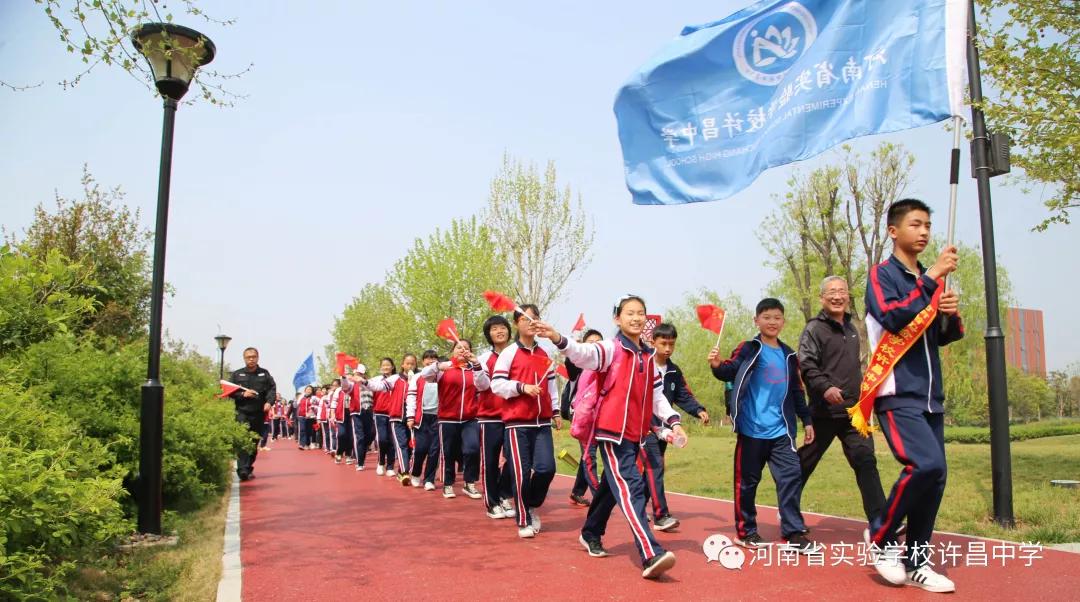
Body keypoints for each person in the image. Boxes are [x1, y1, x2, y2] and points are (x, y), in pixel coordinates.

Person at [535, 294, 686, 580]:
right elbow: (582, 353)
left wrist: (673, 422)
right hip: (612, 434)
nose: (636, 318)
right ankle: (650, 553)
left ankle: (590, 532)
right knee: (632, 488)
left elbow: (657, 397)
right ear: (617, 318)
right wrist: (557, 337)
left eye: (640, 313)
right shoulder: (610, 349)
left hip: (636, 435)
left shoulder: (648, 357)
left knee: (610, 487)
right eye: (630, 313)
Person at [862, 199, 963, 593]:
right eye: (915, 224)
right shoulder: (882, 275)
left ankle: (917, 561)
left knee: (935, 477)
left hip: (930, 394)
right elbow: (891, 316)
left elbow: (940, 337)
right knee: (924, 464)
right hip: (897, 390)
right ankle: (882, 537)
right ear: (893, 231)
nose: (923, 232)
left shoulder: (929, 279)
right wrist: (932, 277)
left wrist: (949, 314)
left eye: (927, 226)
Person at [708, 298, 820, 554]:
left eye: (777, 317)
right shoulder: (749, 348)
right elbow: (729, 370)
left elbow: (796, 391)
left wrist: (807, 420)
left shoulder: (789, 355)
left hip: (781, 431)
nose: (772, 322)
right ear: (756, 320)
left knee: (791, 477)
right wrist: (717, 365)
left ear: (783, 322)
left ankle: (793, 532)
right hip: (752, 430)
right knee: (747, 483)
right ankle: (746, 532)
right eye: (766, 317)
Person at [797, 276, 887, 526]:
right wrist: (825, 388)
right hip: (824, 411)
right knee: (804, 463)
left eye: (842, 292)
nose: (837, 296)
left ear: (848, 296)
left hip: (853, 412)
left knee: (866, 460)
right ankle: (788, 510)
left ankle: (880, 522)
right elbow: (806, 364)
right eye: (832, 292)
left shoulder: (852, 328)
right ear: (822, 298)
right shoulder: (814, 329)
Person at [490, 304, 561, 539]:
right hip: (517, 424)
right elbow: (497, 385)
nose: (530, 322)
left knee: (547, 468)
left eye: (534, 318)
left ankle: (530, 505)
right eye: (525, 319)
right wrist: (522, 387)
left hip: (542, 423)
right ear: (516, 323)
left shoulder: (545, 353)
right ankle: (523, 519)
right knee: (520, 472)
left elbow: (551, 385)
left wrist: (556, 411)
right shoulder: (509, 353)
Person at [642, 322, 710, 532]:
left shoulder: (674, 371)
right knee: (655, 467)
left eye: (671, 344)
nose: (668, 348)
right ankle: (661, 516)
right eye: (663, 343)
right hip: (645, 427)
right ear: (653, 342)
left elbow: (683, 395)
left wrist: (698, 410)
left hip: (667, 428)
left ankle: (637, 506)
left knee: (651, 470)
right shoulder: (643, 365)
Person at [421, 339, 489, 499]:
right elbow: (425, 375)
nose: (462, 350)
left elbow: (484, 386)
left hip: (470, 418)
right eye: (459, 347)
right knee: (448, 452)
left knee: (472, 449)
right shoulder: (444, 368)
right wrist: (438, 365)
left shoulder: (475, 368)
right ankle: (448, 484)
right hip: (447, 419)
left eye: (466, 348)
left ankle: (469, 483)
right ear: (453, 350)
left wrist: (477, 364)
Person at [477, 315, 517, 519]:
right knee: (490, 461)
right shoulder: (484, 359)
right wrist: (476, 368)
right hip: (490, 417)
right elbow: (481, 386)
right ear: (488, 335)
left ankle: (503, 493)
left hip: (514, 416)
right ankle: (492, 503)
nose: (499, 331)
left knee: (515, 459)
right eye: (494, 329)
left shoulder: (517, 354)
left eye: (502, 327)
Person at [559, 328, 605, 508]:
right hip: (582, 419)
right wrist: (573, 347)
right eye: (590, 342)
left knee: (587, 456)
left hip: (602, 417)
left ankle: (577, 492)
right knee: (590, 456)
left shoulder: (606, 367)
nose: (595, 345)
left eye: (598, 342)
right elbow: (570, 359)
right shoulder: (578, 367)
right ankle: (599, 497)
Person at [227, 347, 277, 481]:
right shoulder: (237, 374)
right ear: (244, 358)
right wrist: (243, 394)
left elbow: (272, 389)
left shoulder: (264, 374)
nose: (251, 359)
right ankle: (242, 469)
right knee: (243, 439)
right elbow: (229, 391)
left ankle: (248, 467)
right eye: (248, 357)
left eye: (253, 357)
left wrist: (269, 402)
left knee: (254, 441)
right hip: (242, 412)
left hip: (258, 413)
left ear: (257, 357)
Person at [406, 351, 441, 488]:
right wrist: (410, 417)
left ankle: (429, 480)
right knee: (420, 448)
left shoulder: (441, 376)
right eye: (428, 358)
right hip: (421, 418)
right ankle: (415, 473)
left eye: (434, 358)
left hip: (438, 418)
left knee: (434, 450)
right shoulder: (417, 377)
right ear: (423, 362)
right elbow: (411, 397)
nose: (431, 361)